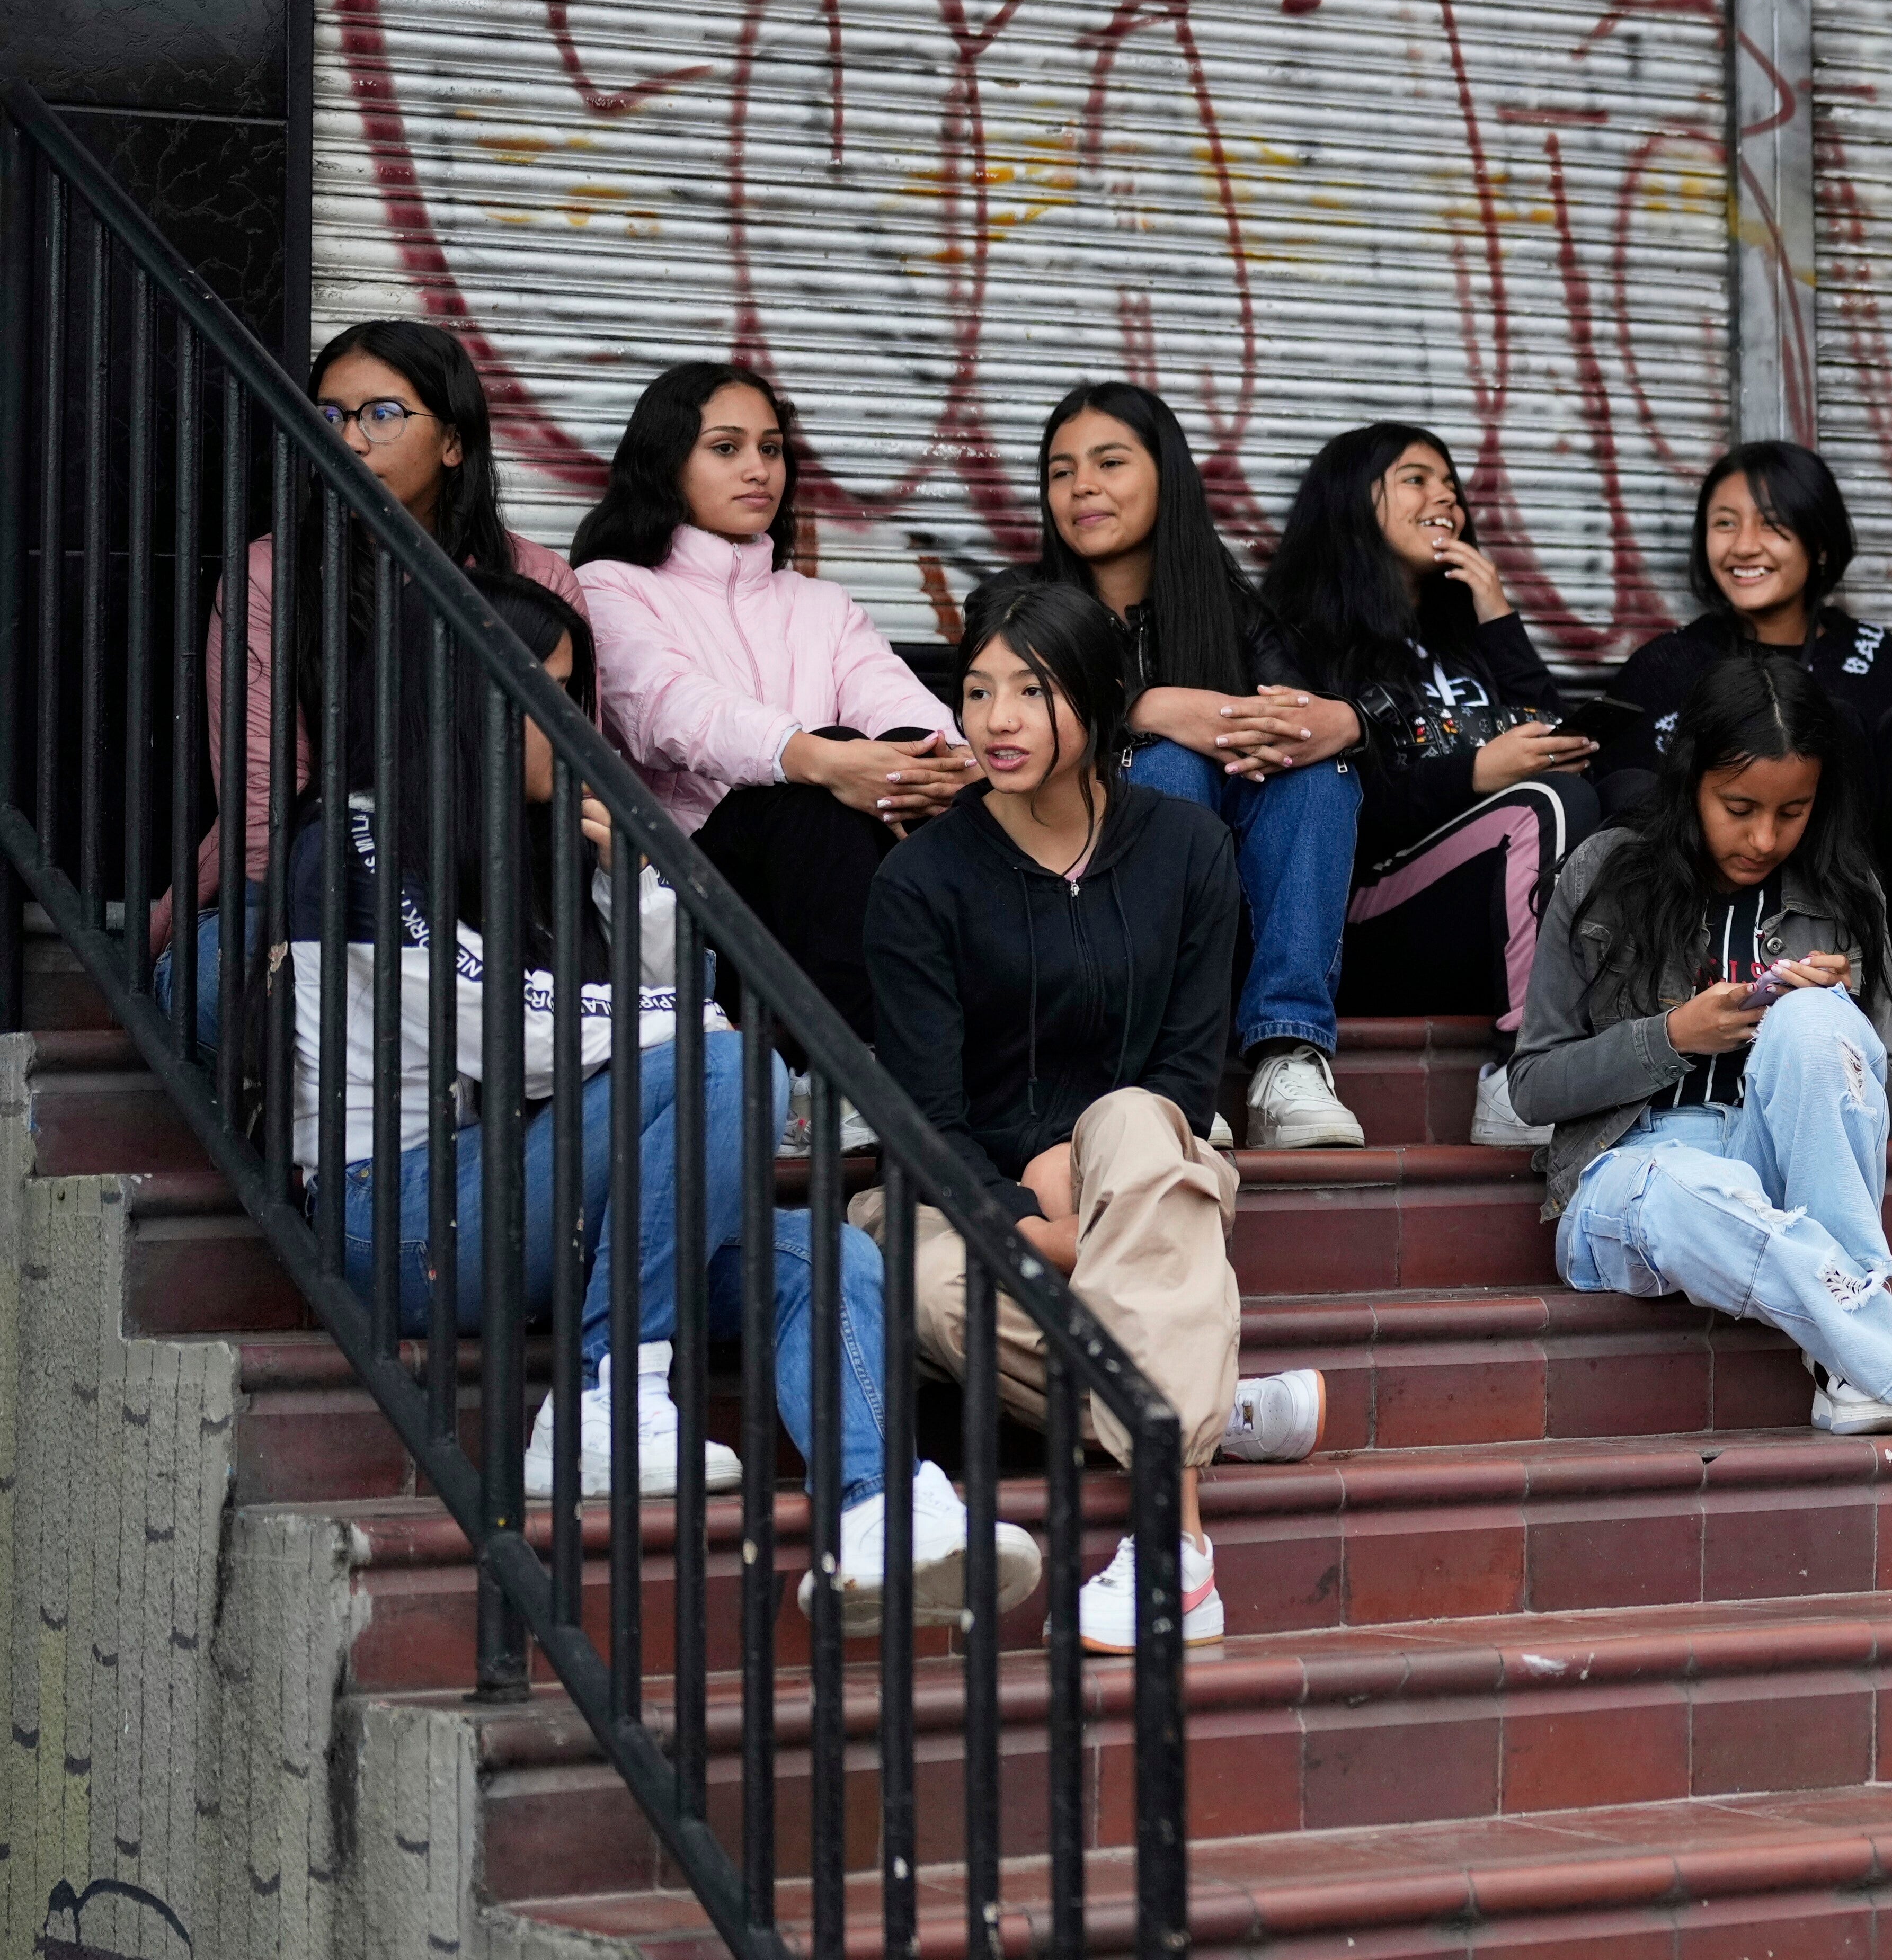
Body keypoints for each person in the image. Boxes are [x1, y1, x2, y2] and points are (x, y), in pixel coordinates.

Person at [280, 569, 1023, 1635]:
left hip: (537, 1188)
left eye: (573, 692)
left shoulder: (540, 845)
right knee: (727, 1071)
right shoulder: (352, 842)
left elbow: (640, 1007)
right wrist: (699, 1029)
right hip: (386, 1209)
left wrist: (638, 885)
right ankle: (604, 1400)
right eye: (541, 692)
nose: (568, 722)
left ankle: (885, 1512)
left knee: (827, 1254)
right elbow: (509, 1031)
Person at [863, 574, 1327, 1652]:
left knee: (1128, 1118)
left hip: (1139, 1172)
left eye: (1032, 691)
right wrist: (1032, 1217)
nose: (998, 722)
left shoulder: (1186, 850)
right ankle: (1204, 1405)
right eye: (977, 693)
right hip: (966, 1188)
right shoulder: (921, 881)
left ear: (1100, 698)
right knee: (935, 1286)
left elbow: (1182, 1069)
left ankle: (1172, 1554)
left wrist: (1090, 1197)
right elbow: (925, 1115)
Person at [1508, 653, 1892, 1435]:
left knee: (1815, 1022)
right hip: (1632, 1173)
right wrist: (1672, 1035)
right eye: (1737, 806)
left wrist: (1835, 1015)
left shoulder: (1842, 892)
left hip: (1777, 1172)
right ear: (1689, 777)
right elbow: (1531, 1084)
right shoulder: (1606, 871)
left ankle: (1857, 1370)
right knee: (1684, 1190)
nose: (1763, 836)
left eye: (1791, 810)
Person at [1596, 443, 1892, 1135]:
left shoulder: (1870, 654)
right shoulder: (1667, 665)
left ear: (1817, 543)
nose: (1743, 545)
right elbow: (1626, 806)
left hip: (1872, 904)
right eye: (1724, 523)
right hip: (1735, 923)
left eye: (1772, 524)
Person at [161, 318, 584, 982]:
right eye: (329, 414)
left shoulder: (535, 581)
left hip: (493, 880)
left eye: (382, 414)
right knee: (222, 984)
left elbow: (566, 773)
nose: (349, 438)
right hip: (305, 884)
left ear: (452, 441)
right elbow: (263, 804)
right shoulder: (271, 576)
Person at [572, 362, 969, 1065]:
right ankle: (857, 1065)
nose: (757, 468)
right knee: (818, 783)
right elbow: (669, 708)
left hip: (831, 885)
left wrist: (941, 763)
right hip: (694, 897)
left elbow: (897, 699)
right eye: (726, 448)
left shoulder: (818, 603)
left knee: (918, 761)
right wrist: (819, 758)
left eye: (771, 447)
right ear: (666, 461)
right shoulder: (610, 586)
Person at [1029, 380, 1366, 1150]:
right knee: (1171, 772)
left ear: (1165, 476)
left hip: (1229, 915)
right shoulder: (1024, 607)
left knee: (1317, 775)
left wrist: (1345, 723)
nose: (1082, 486)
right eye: (1060, 470)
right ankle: (1164, 1066)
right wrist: (1142, 708)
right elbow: (998, 736)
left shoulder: (1231, 612)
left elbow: (1299, 718)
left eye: (1109, 461)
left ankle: (1287, 1053)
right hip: (1076, 910)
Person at [1263, 423, 1599, 1092]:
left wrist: (1499, 617)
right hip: (1371, 920)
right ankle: (1523, 1078)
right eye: (1417, 479)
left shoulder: (1465, 637)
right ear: (1353, 501)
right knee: (1544, 804)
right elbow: (1318, 803)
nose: (1446, 500)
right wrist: (1477, 774)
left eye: (1453, 487)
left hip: (1483, 912)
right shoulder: (1303, 636)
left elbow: (1555, 739)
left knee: (1601, 796)